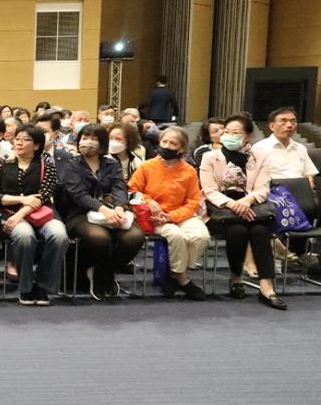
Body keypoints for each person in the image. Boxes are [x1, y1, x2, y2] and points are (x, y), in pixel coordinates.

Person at [200, 115, 284, 310]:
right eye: (226, 132)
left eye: (236, 133)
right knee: (237, 231)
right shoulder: (210, 157)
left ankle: (267, 287)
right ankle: (236, 277)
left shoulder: (259, 156)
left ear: (248, 136)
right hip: (221, 210)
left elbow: (263, 188)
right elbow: (210, 191)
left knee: (259, 231)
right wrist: (234, 205)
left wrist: (246, 201)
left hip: (251, 208)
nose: (229, 136)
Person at [60, 125, 144, 300]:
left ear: (102, 143)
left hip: (111, 210)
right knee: (101, 238)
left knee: (134, 237)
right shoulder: (71, 164)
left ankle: (102, 272)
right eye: (84, 138)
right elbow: (78, 194)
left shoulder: (112, 164)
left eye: (94, 138)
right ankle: (103, 275)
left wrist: (119, 207)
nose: (88, 142)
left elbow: (120, 187)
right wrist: (103, 209)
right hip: (80, 213)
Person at [0, 125, 68, 305]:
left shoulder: (46, 165)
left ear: (36, 145)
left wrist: (22, 212)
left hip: (42, 212)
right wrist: (21, 200)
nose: (19, 143)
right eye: (17, 139)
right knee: (25, 236)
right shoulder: (2, 163)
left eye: (26, 140)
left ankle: (42, 285)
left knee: (59, 236)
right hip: (9, 211)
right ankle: (26, 287)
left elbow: (44, 195)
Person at [128, 126, 208, 300]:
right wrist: (150, 202)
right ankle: (183, 280)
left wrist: (172, 216)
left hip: (180, 214)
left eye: (173, 143)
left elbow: (193, 202)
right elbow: (131, 192)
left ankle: (175, 274)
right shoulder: (146, 166)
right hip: (154, 217)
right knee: (176, 236)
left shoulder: (189, 171)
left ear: (182, 149)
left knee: (201, 236)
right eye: (164, 142)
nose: (167, 146)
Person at [251, 106, 317, 188]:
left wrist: (308, 188)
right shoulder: (259, 147)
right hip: (273, 191)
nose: (289, 125)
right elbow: (254, 179)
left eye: (293, 121)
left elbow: (309, 173)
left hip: (299, 190)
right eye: (284, 121)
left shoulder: (301, 148)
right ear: (272, 126)